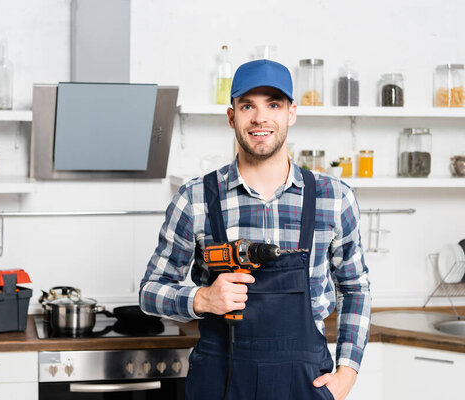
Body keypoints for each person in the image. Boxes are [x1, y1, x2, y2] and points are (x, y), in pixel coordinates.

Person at [139, 59, 371, 400]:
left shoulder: (333, 198)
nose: (260, 117)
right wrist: (203, 298)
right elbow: (149, 292)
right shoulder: (196, 198)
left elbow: (356, 289)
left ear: (291, 112)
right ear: (232, 116)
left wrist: (347, 373)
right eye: (248, 105)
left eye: (273, 104)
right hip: (221, 381)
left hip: (305, 382)